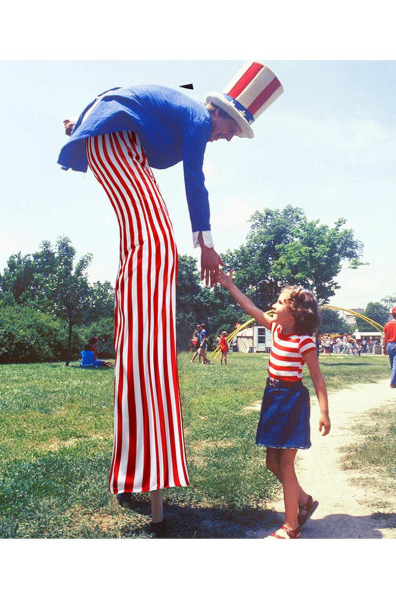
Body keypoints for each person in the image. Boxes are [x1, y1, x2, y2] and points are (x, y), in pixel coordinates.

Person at [58, 62, 284, 505]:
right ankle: (143, 340)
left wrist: (81, 121)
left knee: (156, 242)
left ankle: (141, 346)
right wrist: (207, 244)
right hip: (114, 143)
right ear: (218, 113)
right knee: (158, 241)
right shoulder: (198, 119)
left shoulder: (182, 109)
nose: (228, 137)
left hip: (115, 142)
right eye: (232, 128)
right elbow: (193, 179)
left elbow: (122, 94)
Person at [218, 270, 330, 539]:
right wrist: (230, 285)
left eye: (279, 303)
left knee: (287, 464)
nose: (273, 307)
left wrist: (324, 412)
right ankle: (304, 500)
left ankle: (291, 526)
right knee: (272, 462)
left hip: (291, 401)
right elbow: (250, 307)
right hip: (273, 397)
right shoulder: (276, 328)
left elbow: (316, 377)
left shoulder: (304, 342)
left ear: (295, 313)